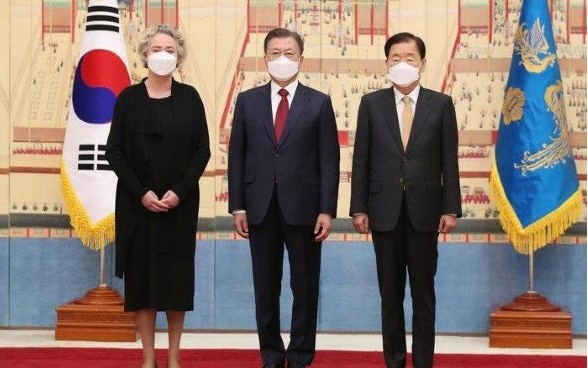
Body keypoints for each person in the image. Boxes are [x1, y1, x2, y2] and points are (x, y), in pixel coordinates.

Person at [227, 28, 340, 368]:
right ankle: (272, 355)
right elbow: (237, 155)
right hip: (259, 208)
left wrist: (327, 210)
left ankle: (302, 355)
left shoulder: (319, 102)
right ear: (265, 58)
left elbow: (329, 161)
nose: (282, 59)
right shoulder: (247, 101)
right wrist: (238, 205)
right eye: (275, 52)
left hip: (305, 211)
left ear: (301, 59)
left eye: (289, 52)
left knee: (304, 287)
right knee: (265, 288)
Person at [349, 32, 462, 368]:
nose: (402, 64)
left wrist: (451, 208)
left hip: (426, 213)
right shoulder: (371, 105)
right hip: (383, 213)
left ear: (422, 64)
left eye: (409, 58)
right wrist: (358, 207)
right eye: (395, 58)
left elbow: (449, 162)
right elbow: (361, 160)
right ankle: (395, 361)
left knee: (424, 295)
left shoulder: (441, 105)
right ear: (386, 63)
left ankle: (424, 362)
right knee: (390, 296)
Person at [105, 24, 210, 368]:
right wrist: (142, 193)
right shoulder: (128, 99)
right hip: (138, 207)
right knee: (143, 285)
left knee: (176, 285)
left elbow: (202, 151)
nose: (162, 55)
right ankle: (148, 358)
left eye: (169, 49)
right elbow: (115, 152)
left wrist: (178, 193)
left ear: (178, 56)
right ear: (145, 55)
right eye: (156, 49)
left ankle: (174, 356)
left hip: (178, 206)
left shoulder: (191, 98)